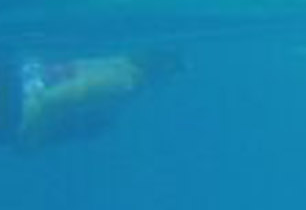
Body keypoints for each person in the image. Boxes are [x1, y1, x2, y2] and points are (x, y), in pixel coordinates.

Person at [1, 49, 180, 150]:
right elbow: (47, 100)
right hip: (16, 102)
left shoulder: (119, 61)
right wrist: (29, 142)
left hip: (17, 86)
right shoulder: (125, 82)